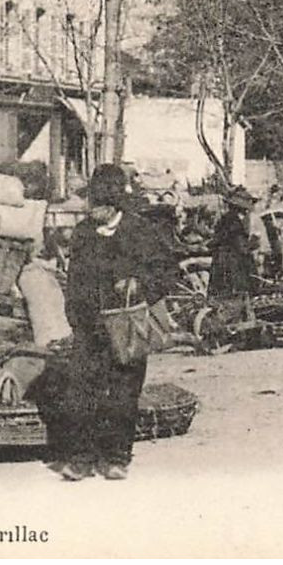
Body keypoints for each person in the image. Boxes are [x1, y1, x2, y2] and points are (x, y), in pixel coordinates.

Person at [60, 163, 174, 481]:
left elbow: (166, 272)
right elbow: (74, 279)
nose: (90, 209)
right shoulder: (83, 233)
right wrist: (75, 316)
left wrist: (139, 282)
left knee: (124, 392)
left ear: (112, 205)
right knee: (82, 391)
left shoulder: (139, 231)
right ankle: (82, 458)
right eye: (90, 202)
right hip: (90, 327)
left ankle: (116, 457)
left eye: (95, 204)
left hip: (127, 328)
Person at [207, 187, 266, 299]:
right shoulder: (234, 222)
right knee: (237, 291)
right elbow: (241, 247)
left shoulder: (226, 218)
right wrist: (254, 243)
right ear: (240, 208)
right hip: (232, 263)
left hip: (221, 259)